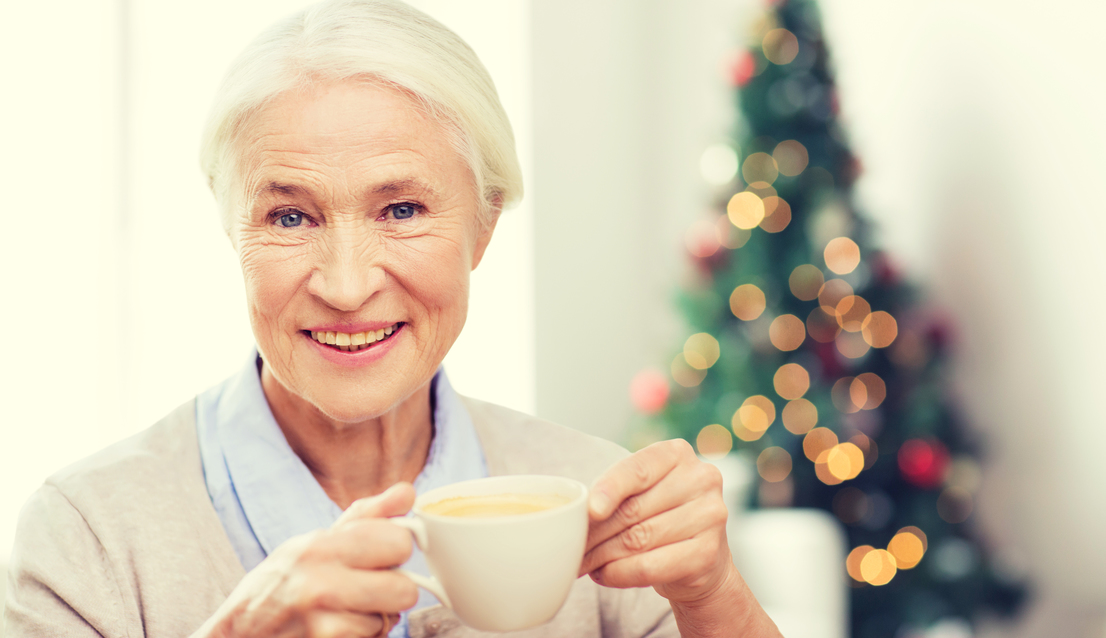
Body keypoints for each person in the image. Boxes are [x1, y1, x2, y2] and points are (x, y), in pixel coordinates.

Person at [4, 1, 782, 636]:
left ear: (483, 227)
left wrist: (715, 595)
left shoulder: (589, 499)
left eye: (402, 208)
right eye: (288, 218)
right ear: (231, 230)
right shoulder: (87, 538)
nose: (346, 287)